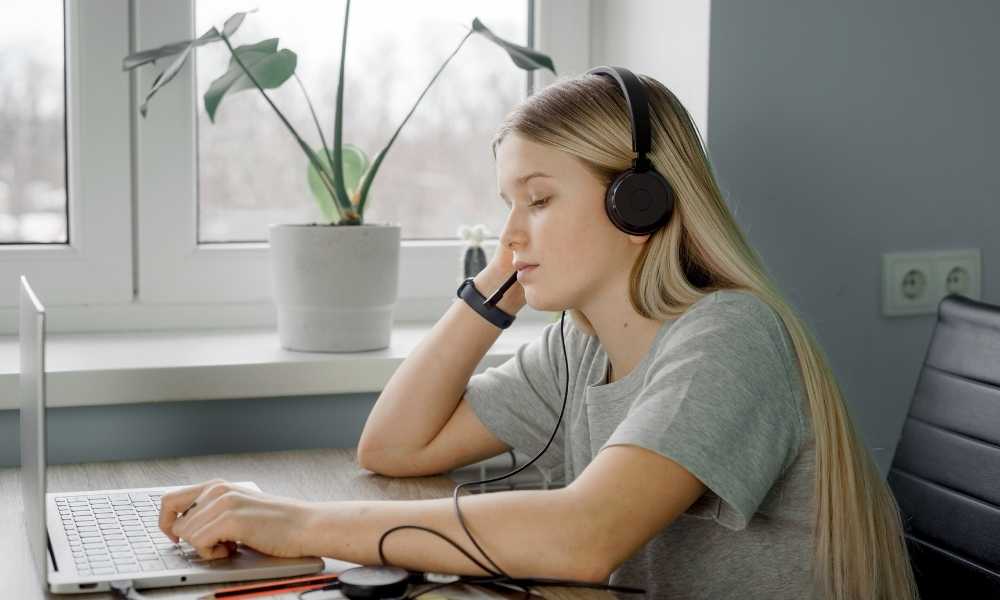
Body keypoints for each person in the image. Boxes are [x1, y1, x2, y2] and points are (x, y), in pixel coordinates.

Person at [158, 71, 919, 599]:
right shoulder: (582, 347)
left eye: (541, 198)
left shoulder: (729, 337)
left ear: (639, 205)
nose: (512, 230)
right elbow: (392, 447)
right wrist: (496, 287)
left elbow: (583, 538)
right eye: (506, 202)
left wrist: (302, 524)